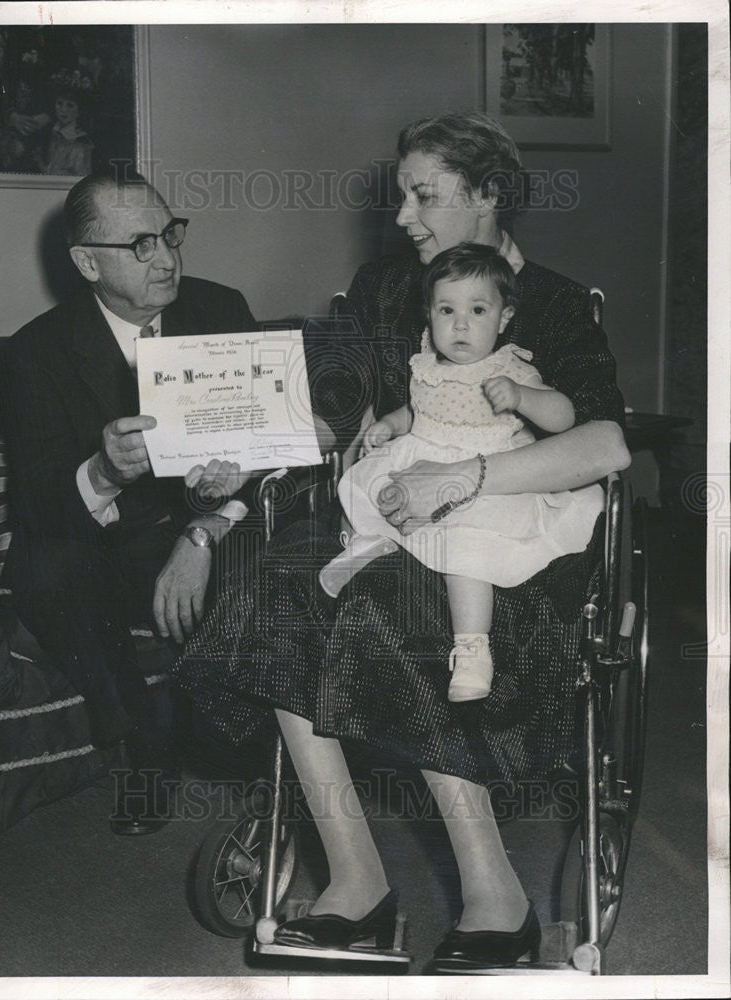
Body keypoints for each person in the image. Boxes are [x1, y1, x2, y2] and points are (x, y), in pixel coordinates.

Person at [172, 111, 630, 969]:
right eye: (402, 197)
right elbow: (332, 411)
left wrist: (467, 479)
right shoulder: (386, 288)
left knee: (400, 603)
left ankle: (496, 894)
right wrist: (232, 465)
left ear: (490, 195)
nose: (404, 218)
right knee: (275, 595)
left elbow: (603, 445)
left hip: (503, 545)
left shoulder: (559, 305)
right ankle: (355, 879)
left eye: (425, 196)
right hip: (383, 517)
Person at [0, 168, 257, 835]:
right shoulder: (35, 351)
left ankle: (250, 747)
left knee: (265, 564)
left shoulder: (221, 310)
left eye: (170, 234)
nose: (167, 257)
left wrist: (205, 533)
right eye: (140, 245)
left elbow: (267, 456)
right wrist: (105, 471)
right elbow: (37, 502)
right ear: (87, 262)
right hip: (99, 542)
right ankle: (142, 747)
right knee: (44, 569)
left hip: (204, 528)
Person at [320, 243, 605, 702]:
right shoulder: (426, 365)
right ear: (429, 315)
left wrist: (522, 397)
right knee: (364, 484)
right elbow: (418, 412)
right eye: (446, 310)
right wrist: (389, 425)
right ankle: (369, 544)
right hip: (421, 458)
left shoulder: (510, 367)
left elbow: (565, 416)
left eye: (477, 310)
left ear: (504, 316)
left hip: (483, 480)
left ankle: (473, 649)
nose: (460, 324)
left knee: (466, 550)